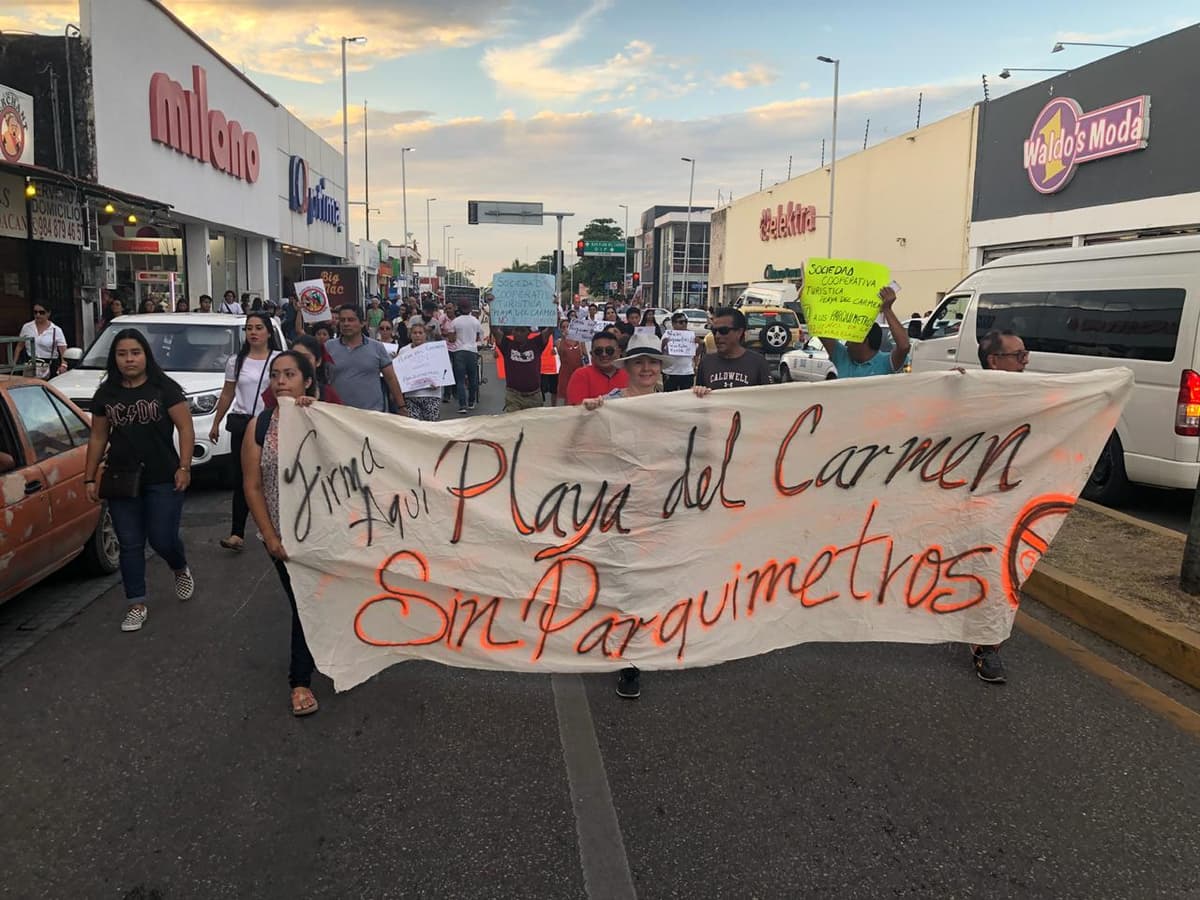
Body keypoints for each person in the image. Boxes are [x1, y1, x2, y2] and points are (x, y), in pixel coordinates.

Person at [582, 333, 712, 699]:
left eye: (652, 362)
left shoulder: (675, 403)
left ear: (660, 369)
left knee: (654, 577)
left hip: (662, 504)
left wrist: (701, 403)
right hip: (619, 504)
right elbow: (579, 443)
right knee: (625, 580)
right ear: (627, 368)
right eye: (639, 362)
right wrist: (589, 413)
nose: (646, 368)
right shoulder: (609, 403)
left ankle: (645, 646)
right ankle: (628, 660)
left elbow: (704, 439)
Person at [83, 328, 195, 632]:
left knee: (162, 538)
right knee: (130, 544)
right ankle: (136, 603)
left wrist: (184, 466)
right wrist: (89, 477)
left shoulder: (164, 388)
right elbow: (98, 436)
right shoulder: (107, 394)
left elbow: (185, 428)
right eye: (122, 354)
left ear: (146, 355)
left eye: (135, 353)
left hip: (163, 476)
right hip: (122, 477)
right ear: (114, 358)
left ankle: (179, 566)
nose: (129, 359)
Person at [242, 351, 322, 716]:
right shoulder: (259, 426)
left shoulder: (324, 418)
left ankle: (325, 658)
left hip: (324, 533)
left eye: (290, 374)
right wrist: (269, 536)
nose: (280, 381)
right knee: (304, 603)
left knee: (316, 602)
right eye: (275, 375)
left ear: (307, 380)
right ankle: (300, 682)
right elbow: (253, 486)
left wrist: (318, 413)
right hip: (282, 537)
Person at [966, 329, 1030, 685]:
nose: (1026, 362)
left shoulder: (1031, 392)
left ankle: (986, 646)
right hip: (961, 497)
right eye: (1018, 355)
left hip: (1008, 500)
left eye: (1025, 354)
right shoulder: (964, 392)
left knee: (995, 569)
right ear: (994, 361)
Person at [209, 312, 282, 552]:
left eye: (258, 327)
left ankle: (277, 528)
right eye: (249, 328)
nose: (253, 332)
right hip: (242, 423)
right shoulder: (236, 361)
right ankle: (236, 533)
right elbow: (228, 393)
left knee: (273, 477)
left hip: (270, 423)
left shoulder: (278, 360)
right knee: (243, 478)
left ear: (268, 332)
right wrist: (216, 422)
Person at [325, 305, 408, 414]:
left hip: (371, 415)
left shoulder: (377, 347)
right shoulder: (328, 347)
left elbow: (391, 378)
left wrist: (401, 406)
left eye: (351, 320)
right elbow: (321, 378)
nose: (346, 324)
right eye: (342, 320)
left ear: (362, 323)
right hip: (338, 415)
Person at [818, 286, 909, 378]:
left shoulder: (886, 363)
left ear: (864, 340)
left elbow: (904, 346)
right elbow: (819, 328)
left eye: (851, 338)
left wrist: (887, 309)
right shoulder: (842, 356)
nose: (847, 343)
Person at [696, 307, 772, 390]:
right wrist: (699, 391)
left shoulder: (758, 362)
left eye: (723, 331)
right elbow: (698, 398)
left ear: (739, 332)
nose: (717, 336)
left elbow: (768, 397)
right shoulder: (706, 362)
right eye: (714, 331)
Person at [492, 325, 551, 412]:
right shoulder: (507, 344)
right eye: (516, 330)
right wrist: (494, 316)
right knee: (514, 424)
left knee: (534, 424)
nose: (519, 333)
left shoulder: (537, 343)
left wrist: (553, 317)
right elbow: (495, 330)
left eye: (522, 330)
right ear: (512, 332)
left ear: (528, 333)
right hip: (514, 396)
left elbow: (549, 330)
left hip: (534, 396)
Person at [566, 330, 627, 404]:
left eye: (609, 350)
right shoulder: (581, 375)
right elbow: (576, 409)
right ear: (592, 354)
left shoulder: (629, 375)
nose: (604, 354)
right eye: (599, 351)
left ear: (618, 352)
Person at [445, 301, 484, 413]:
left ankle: (462, 405)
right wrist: (476, 343)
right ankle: (471, 402)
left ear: (459, 309)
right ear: (470, 309)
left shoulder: (455, 322)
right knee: (473, 378)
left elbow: (451, 339)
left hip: (459, 351)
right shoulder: (475, 321)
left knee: (460, 380)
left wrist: (452, 337)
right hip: (472, 351)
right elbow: (480, 336)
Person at [402, 321, 444, 421]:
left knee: (431, 427)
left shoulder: (435, 350)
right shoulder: (404, 351)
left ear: (425, 335)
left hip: (431, 394)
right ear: (410, 335)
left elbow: (443, 370)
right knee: (414, 427)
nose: (417, 335)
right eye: (415, 333)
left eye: (420, 333)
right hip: (411, 396)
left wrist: (439, 382)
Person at [18, 303, 67, 378]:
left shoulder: (56, 330)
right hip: (31, 363)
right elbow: (19, 346)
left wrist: (63, 365)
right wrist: (13, 365)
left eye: (41, 312)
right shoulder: (27, 327)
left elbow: (63, 350)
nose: (38, 315)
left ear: (48, 313)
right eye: (35, 312)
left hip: (50, 364)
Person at [662, 311, 699, 391]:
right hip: (670, 372)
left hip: (687, 372)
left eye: (686, 322)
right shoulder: (667, 335)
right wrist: (663, 344)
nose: (684, 324)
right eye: (681, 322)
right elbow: (661, 353)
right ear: (673, 324)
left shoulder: (691, 335)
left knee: (686, 398)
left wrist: (701, 344)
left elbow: (696, 353)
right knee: (669, 397)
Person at [556, 324, 588, 406]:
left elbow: (585, 356)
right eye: (563, 327)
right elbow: (560, 354)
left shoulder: (580, 341)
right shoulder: (559, 342)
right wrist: (564, 338)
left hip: (578, 371)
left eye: (568, 327)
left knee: (579, 395)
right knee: (566, 397)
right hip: (565, 373)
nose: (566, 329)